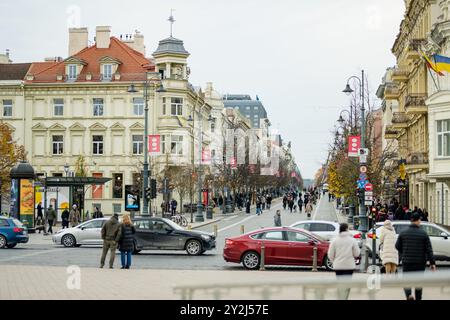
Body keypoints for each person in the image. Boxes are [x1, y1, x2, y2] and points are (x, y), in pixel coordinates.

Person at [395, 212, 436, 300]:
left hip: (407, 262)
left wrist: (404, 252)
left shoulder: (403, 233)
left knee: (406, 281)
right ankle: (418, 298)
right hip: (420, 263)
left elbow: (397, 246)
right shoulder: (423, 234)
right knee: (419, 283)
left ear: (411, 220)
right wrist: (432, 263)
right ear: (418, 221)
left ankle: (409, 295)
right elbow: (429, 250)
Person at [327, 223, 360, 300]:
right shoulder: (352, 240)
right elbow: (357, 253)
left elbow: (330, 254)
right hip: (349, 266)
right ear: (346, 229)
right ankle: (345, 298)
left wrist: (334, 261)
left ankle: (340, 297)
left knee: (340, 283)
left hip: (338, 266)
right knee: (347, 284)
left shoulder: (335, 240)